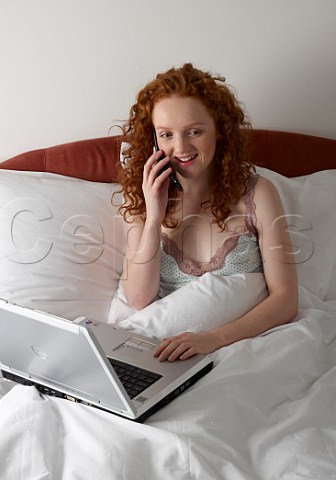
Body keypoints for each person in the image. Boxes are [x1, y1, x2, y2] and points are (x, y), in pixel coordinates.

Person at [115, 63, 298, 362]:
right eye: (166, 135)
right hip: (166, 354)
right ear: (153, 140)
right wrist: (153, 219)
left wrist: (212, 339)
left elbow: (286, 300)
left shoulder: (258, 194)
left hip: (239, 348)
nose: (181, 147)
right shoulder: (143, 199)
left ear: (220, 131)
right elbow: (138, 299)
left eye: (194, 132)